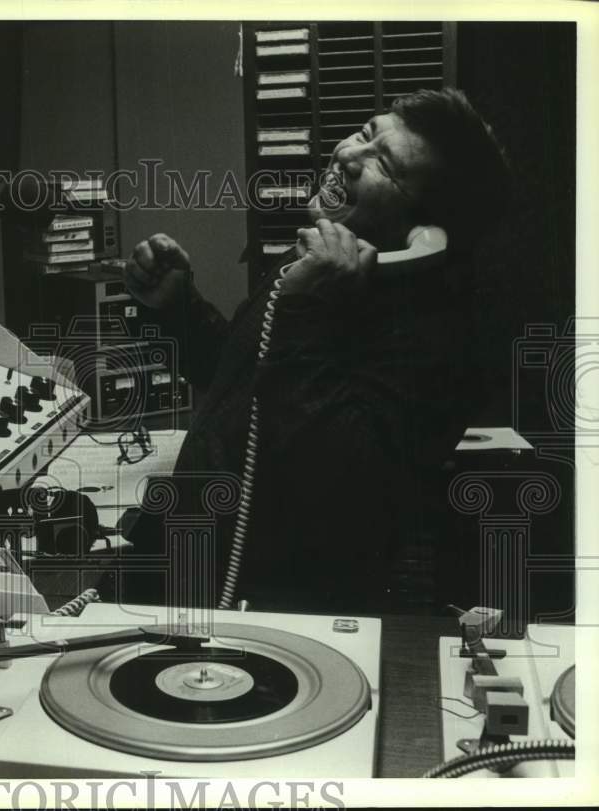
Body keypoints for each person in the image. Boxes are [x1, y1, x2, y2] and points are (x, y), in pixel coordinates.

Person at [121, 88, 511, 614]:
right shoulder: (319, 256)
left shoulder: (438, 342)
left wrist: (310, 314)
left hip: (271, 609)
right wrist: (178, 310)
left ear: (424, 230)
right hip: (194, 567)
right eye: (366, 133)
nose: (348, 155)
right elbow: (243, 382)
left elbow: (334, 478)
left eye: (385, 166)